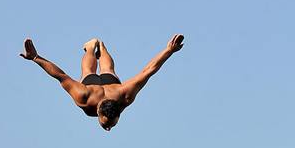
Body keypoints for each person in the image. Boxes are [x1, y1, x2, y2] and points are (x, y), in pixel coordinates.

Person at [20, 34, 184, 131]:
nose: (108, 129)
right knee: (91, 72)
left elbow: (148, 71)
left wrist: (169, 50)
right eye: (109, 125)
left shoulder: (124, 94)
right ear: (98, 110)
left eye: (110, 125)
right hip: (92, 89)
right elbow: (60, 75)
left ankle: (99, 48)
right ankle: (92, 48)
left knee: (106, 71)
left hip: (102, 87)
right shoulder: (85, 96)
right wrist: (36, 58)